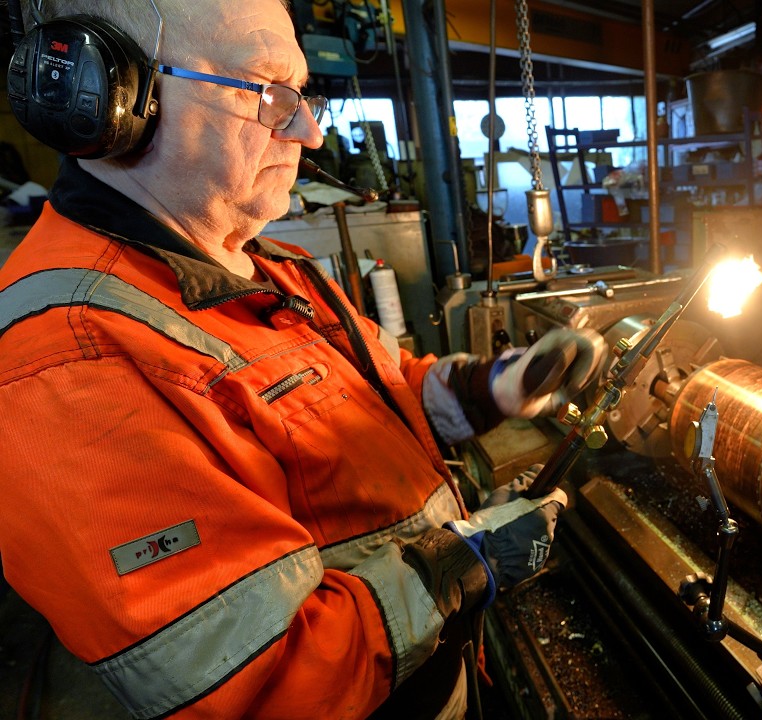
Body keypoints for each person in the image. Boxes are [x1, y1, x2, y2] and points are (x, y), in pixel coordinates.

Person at [0, 0, 603, 717]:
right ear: (113, 98)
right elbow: (259, 683)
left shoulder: (261, 266)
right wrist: (459, 567)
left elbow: (367, 400)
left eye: (304, 96)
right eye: (268, 94)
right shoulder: (67, 361)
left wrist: (490, 387)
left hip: (435, 672)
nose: (309, 132)